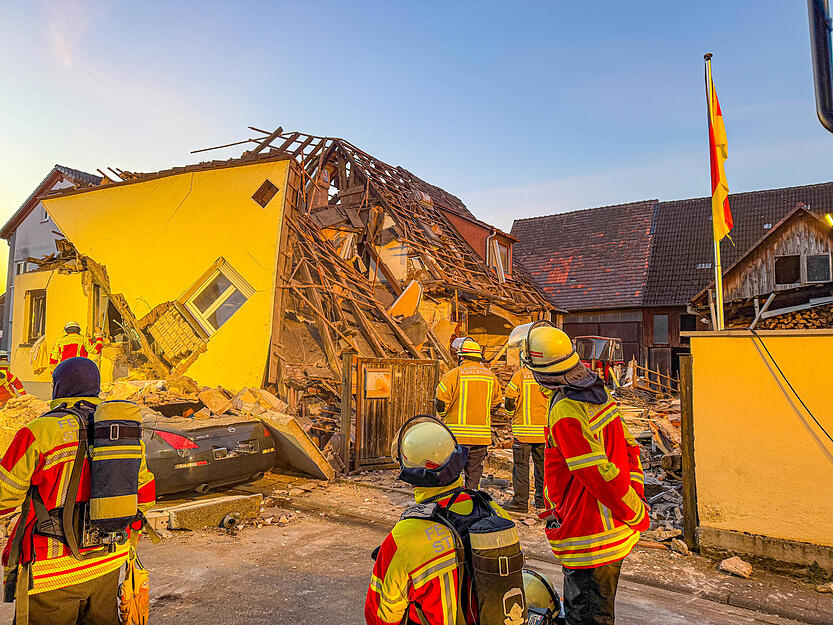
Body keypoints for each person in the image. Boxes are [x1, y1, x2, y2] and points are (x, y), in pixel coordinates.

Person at [0, 357, 156, 625]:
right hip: (107, 561)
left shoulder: (38, 432)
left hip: (52, 570)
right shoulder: (122, 433)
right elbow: (147, 495)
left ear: (59, 387)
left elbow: (4, 496)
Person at [520, 321, 649, 625]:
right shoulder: (596, 392)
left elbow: (598, 474)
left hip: (591, 538)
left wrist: (634, 512)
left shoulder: (567, 408)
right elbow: (629, 449)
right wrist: (636, 502)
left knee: (587, 617)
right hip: (607, 530)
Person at [365, 417, 510, 625]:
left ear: (409, 473)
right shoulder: (496, 513)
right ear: (457, 459)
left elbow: (379, 617)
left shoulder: (404, 539)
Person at [434, 338, 502, 488]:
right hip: (481, 438)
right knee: (474, 474)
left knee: (453, 474)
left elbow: (440, 401)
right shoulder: (490, 377)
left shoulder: (454, 375)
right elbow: (497, 403)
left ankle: (453, 503)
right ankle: (471, 504)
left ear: (461, 357)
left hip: (457, 437)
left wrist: (443, 415)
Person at [502, 365, 548, 512]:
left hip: (523, 432)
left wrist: (510, 413)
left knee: (521, 467)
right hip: (543, 431)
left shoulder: (520, 376)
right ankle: (542, 502)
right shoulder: (546, 375)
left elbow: (509, 398)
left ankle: (520, 503)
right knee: (542, 467)